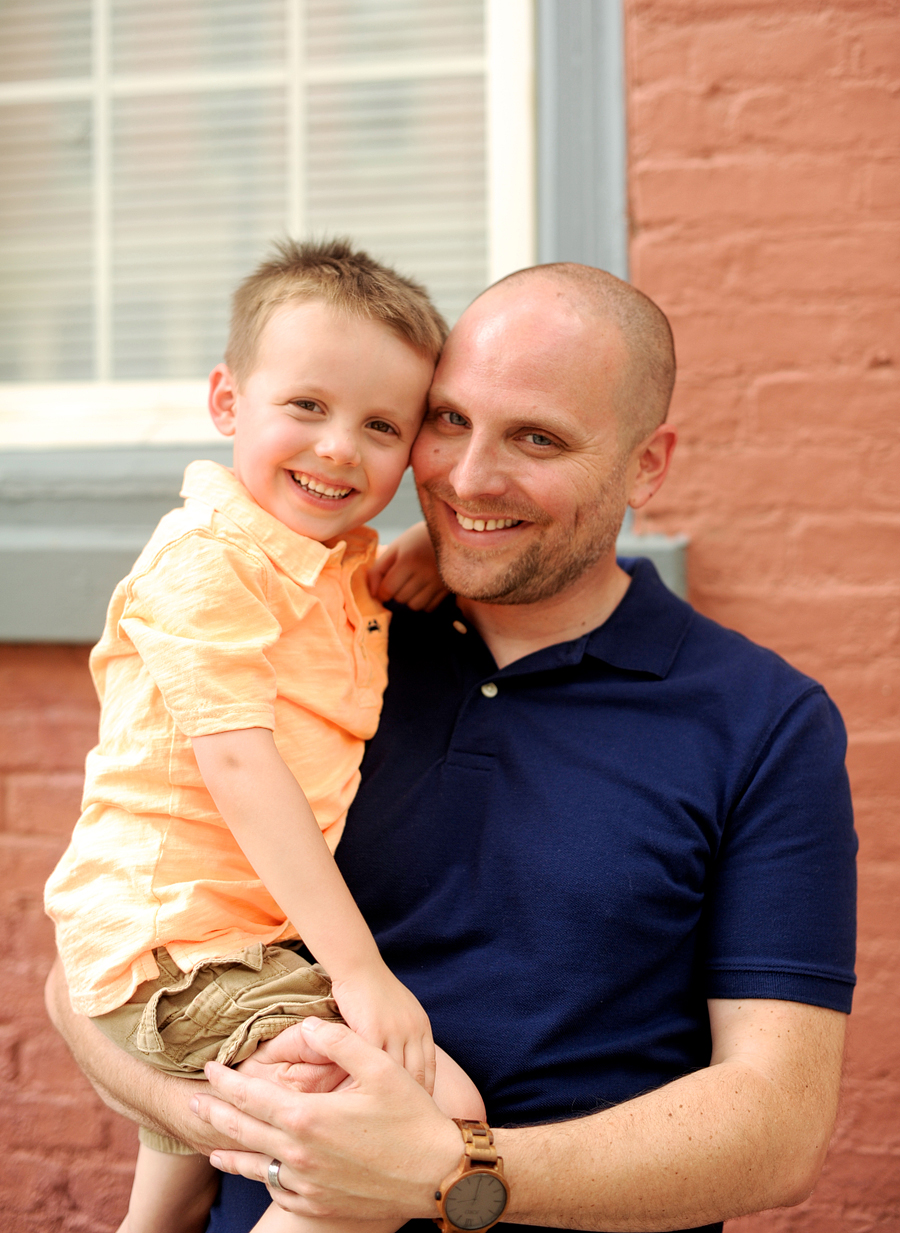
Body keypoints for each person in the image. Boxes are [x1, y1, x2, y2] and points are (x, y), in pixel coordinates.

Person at [46, 262, 857, 1233]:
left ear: (647, 465)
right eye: (447, 422)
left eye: (538, 440)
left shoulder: (759, 721)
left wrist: (455, 1171)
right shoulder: (330, 638)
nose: (469, 479)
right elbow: (81, 982)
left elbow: (778, 1131)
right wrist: (223, 1123)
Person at [43, 239, 484, 1233]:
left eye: (381, 426)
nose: (339, 448)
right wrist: (363, 976)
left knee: (185, 1177)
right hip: (179, 950)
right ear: (227, 402)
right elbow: (239, 764)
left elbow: (337, 586)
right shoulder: (207, 562)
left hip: (224, 942)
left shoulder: (324, 562)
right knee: (423, 1118)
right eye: (307, 407)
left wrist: (436, 548)